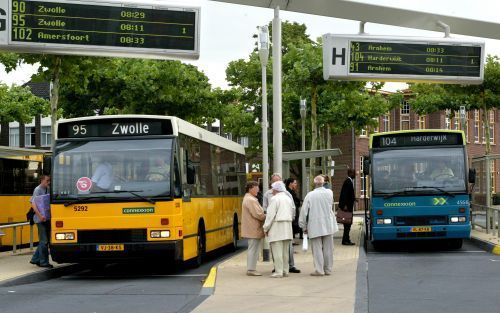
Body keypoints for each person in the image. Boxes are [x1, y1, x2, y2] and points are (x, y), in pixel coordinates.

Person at [299, 175, 338, 276]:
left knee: (317, 249)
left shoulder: (310, 195)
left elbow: (304, 212)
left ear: (314, 183)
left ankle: (319, 270)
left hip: (314, 224)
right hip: (328, 223)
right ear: (324, 183)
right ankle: (328, 269)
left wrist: (303, 225)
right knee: (328, 248)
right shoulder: (329, 193)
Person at [263, 173, 300, 274]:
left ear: (276, 189)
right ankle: (285, 270)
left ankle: (279, 272)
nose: (273, 190)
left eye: (273, 189)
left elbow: (270, 216)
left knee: (277, 250)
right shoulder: (287, 198)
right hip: (287, 226)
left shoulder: (274, 199)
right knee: (285, 251)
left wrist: (265, 228)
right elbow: (293, 210)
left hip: (277, 227)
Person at [241, 181, 266, 276]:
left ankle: (251, 268)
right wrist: (267, 216)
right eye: (256, 188)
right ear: (250, 188)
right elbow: (258, 214)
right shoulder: (251, 200)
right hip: (253, 228)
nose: (258, 191)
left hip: (252, 227)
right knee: (253, 249)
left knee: (253, 248)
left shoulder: (248, 198)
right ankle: (251, 269)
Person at [29, 175, 53, 268]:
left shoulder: (48, 189)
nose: (49, 182)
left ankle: (35, 259)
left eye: (49, 180)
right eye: (47, 180)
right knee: (44, 241)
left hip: (46, 218)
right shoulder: (37, 189)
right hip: (40, 219)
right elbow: (33, 204)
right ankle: (44, 262)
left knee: (44, 241)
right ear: (42, 180)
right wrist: (40, 216)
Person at [338, 168, 356, 246]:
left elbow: (348, 194)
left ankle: (346, 239)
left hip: (348, 206)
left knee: (348, 224)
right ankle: (345, 241)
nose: (355, 174)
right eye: (354, 173)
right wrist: (344, 205)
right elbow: (344, 194)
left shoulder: (349, 181)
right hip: (347, 208)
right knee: (347, 224)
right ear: (350, 173)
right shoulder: (348, 182)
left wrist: (354, 199)